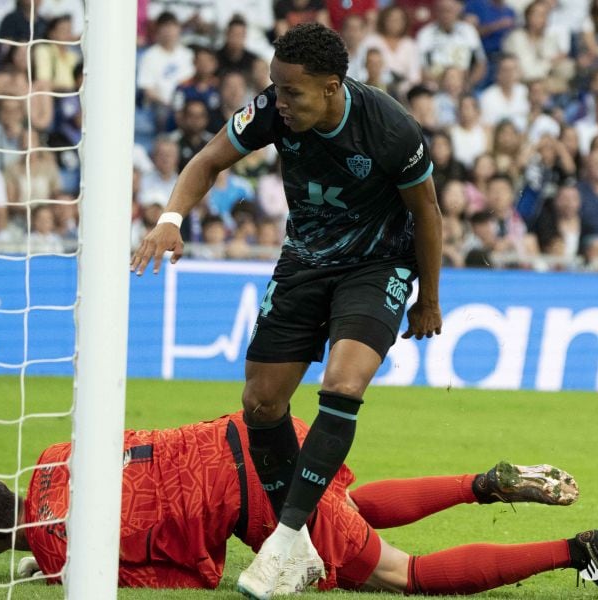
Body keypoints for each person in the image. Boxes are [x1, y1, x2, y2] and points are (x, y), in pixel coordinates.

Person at [131, 23, 443, 599]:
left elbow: (427, 214)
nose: (279, 101)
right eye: (274, 86)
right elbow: (207, 161)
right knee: (261, 402)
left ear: (331, 87)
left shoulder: (390, 129)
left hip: (377, 265)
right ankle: (297, 552)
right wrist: (170, 221)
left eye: (292, 91)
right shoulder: (273, 111)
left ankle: (284, 538)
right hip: (304, 262)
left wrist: (429, 296)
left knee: (343, 385)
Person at [0, 411, 598, 599]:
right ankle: (483, 480)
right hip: (252, 431)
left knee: (399, 574)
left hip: (256, 499)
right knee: (342, 502)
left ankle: (577, 551)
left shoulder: (63, 559)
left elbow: (187, 572)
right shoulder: (55, 454)